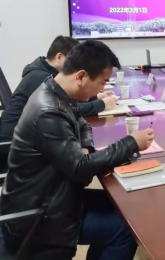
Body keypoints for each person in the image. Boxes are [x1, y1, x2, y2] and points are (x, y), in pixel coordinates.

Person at [0, 40, 155, 259]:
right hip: (38, 214)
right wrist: (130, 143)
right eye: (101, 83)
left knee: (126, 208)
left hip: (52, 193)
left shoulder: (55, 90)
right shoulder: (48, 111)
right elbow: (81, 170)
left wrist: (85, 148)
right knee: (125, 228)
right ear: (81, 76)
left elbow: (83, 125)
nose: (101, 90)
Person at [0, 36, 117, 145]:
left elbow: (70, 102)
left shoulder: (46, 72)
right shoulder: (41, 78)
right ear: (59, 57)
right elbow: (67, 109)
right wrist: (101, 104)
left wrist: (95, 97)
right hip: (12, 143)